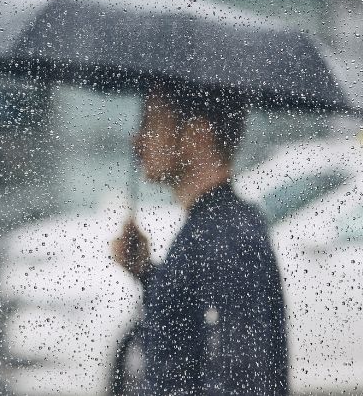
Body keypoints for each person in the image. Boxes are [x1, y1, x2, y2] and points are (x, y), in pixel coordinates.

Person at [112, 81, 289, 395]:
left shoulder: (227, 235)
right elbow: (189, 330)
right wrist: (146, 272)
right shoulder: (212, 226)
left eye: (152, 124)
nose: (137, 141)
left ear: (196, 136)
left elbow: (242, 374)